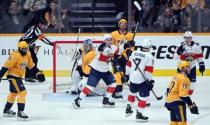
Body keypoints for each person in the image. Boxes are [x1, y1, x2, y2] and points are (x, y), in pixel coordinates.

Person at [0, 41, 45, 120]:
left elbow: (32, 66)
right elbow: (5, 66)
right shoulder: (14, 55)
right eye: (23, 49)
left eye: (26, 48)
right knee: (22, 91)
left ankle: (6, 110)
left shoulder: (28, 54)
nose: (25, 50)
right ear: (19, 48)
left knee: (14, 93)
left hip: (19, 76)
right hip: (12, 76)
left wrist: (38, 73)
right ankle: (20, 112)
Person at [73, 34, 116, 108]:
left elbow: (116, 51)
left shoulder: (113, 47)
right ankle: (77, 100)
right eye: (108, 40)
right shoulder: (100, 47)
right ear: (104, 41)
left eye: (110, 39)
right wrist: (110, 58)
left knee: (113, 85)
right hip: (96, 71)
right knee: (90, 87)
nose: (110, 41)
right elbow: (102, 58)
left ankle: (106, 100)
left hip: (105, 71)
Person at [125, 39, 155, 121]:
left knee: (132, 93)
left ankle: (128, 107)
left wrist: (126, 75)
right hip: (142, 80)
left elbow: (128, 64)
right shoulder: (149, 56)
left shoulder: (134, 53)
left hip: (132, 78)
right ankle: (139, 114)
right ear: (149, 47)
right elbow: (148, 71)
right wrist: (150, 81)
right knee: (144, 97)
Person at [165, 61, 199, 125]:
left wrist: (168, 101)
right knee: (182, 123)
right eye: (188, 67)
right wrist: (191, 105)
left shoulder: (176, 76)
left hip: (170, 102)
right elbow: (183, 96)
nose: (190, 68)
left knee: (173, 122)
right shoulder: (185, 79)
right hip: (178, 103)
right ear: (183, 68)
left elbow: (167, 90)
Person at [111, 18, 134, 99]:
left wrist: (131, 50)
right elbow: (111, 46)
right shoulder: (113, 34)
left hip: (126, 58)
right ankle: (118, 92)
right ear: (119, 25)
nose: (123, 24)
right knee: (118, 75)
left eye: (125, 23)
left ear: (126, 25)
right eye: (121, 23)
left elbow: (132, 48)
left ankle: (116, 91)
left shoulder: (130, 35)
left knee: (124, 76)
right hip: (116, 58)